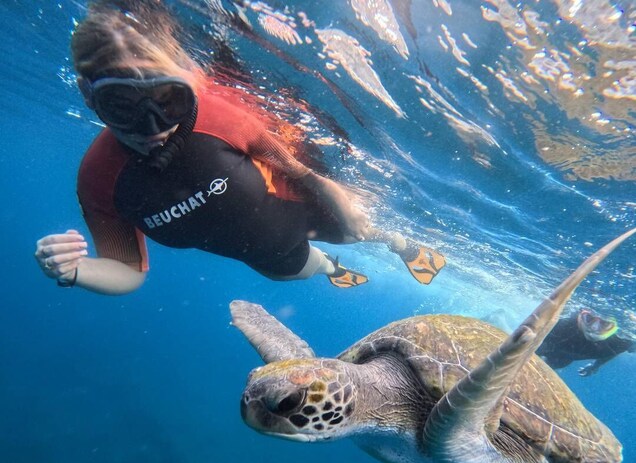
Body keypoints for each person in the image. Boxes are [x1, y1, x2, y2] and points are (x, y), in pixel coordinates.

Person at [34, 0, 445, 294]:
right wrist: (75, 270)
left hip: (308, 212)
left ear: (189, 82)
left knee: (362, 231)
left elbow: (301, 171)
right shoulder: (99, 181)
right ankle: (332, 269)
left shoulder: (221, 119)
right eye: (121, 106)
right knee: (305, 268)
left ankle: (402, 247)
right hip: (270, 259)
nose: (152, 128)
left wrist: (348, 208)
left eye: (168, 102)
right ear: (88, 96)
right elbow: (128, 271)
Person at [537, 307, 635, 376]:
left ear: (615, 328)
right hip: (549, 350)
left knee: (557, 363)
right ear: (580, 315)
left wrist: (596, 365)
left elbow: (615, 350)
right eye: (589, 318)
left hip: (562, 360)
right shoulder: (562, 323)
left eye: (605, 323)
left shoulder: (623, 341)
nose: (594, 328)